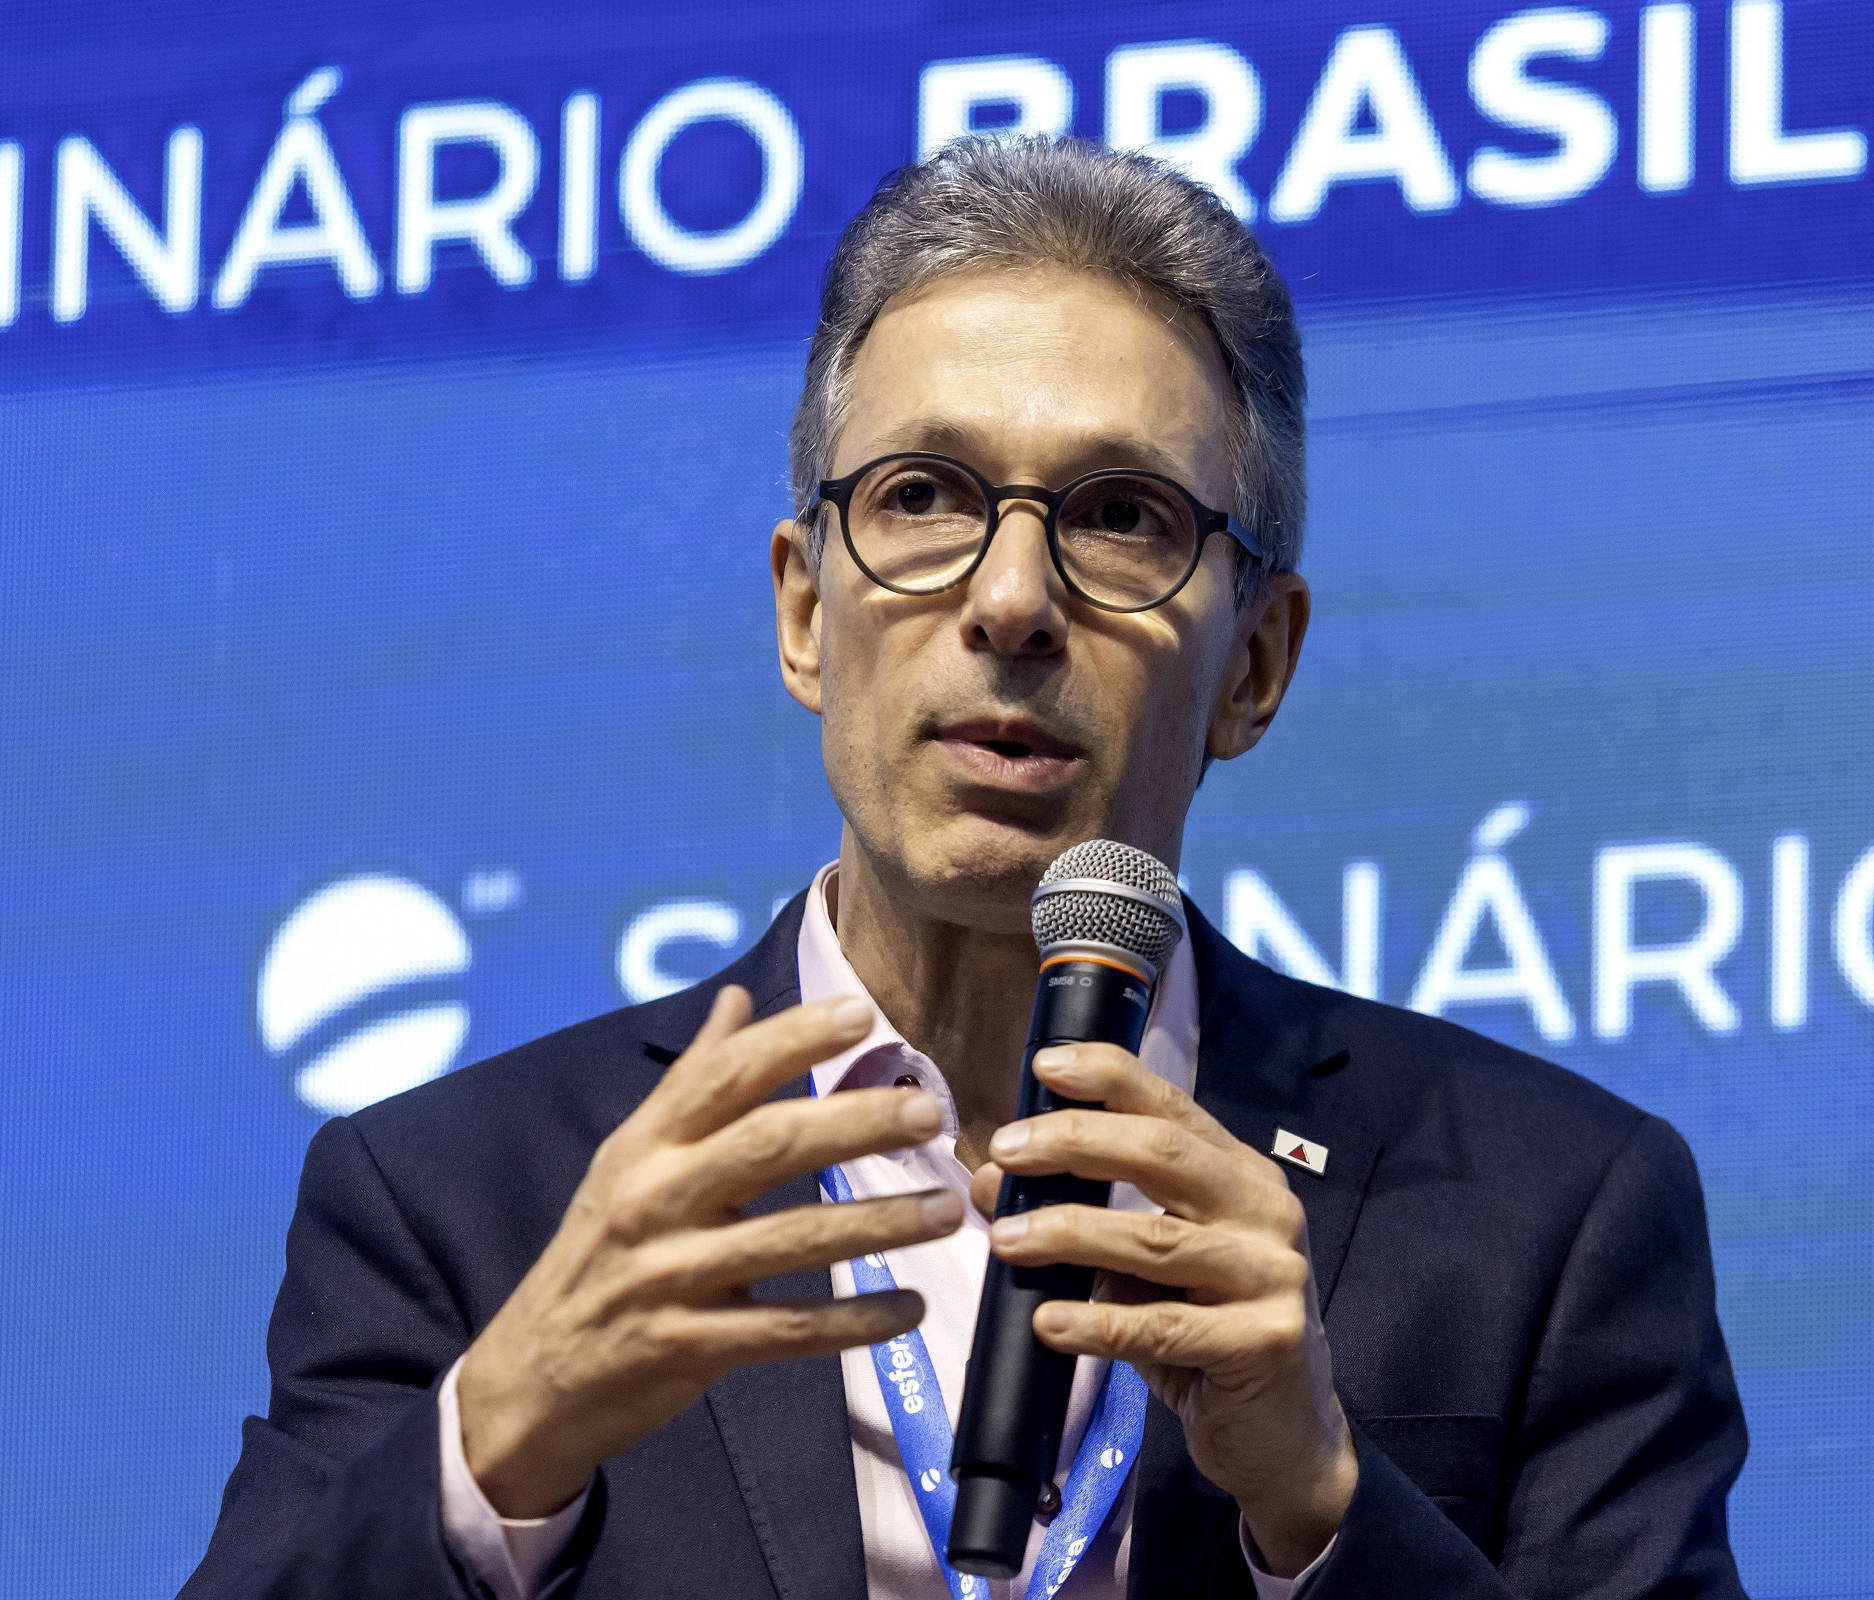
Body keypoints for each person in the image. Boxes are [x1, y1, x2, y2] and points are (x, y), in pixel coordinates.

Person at [182, 135, 1748, 1600]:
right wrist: (495, 1445)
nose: (1009, 600)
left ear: (1256, 665)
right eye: (923, 496)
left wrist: (1324, 1504)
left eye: (1119, 515)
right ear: (805, 613)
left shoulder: (1548, 1212)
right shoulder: (463, 1202)